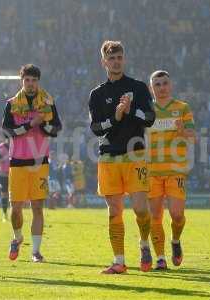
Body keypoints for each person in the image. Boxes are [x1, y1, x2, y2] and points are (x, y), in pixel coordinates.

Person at [89, 40, 155, 274]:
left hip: (135, 155)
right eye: (111, 58)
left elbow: (149, 118)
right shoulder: (97, 94)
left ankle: (144, 244)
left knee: (139, 209)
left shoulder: (138, 87)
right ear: (104, 61)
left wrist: (130, 111)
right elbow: (96, 128)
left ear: (123, 59)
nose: (116, 62)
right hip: (108, 157)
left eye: (119, 57)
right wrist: (116, 117)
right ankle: (119, 261)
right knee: (115, 212)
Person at [2, 64, 62, 263]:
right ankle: (17, 237)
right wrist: (29, 124)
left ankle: (36, 252)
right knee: (16, 208)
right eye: (27, 80)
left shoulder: (47, 101)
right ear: (22, 81)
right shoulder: (11, 104)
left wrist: (42, 124)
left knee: (37, 207)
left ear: (38, 81)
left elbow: (56, 128)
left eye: (34, 80)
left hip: (40, 161)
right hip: (17, 161)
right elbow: (7, 132)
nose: (30, 84)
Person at [146, 70, 195, 270]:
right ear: (151, 88)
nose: (162, 87)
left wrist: (182, 130)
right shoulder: (147, 110)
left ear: (171, 85)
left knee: (176, 214)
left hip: (176, 169)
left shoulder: (182, 108)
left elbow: (192, 135)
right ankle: (160, 257)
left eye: (165, 83)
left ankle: (175, 240)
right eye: (157, 84)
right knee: (155, 216)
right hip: (151, 170)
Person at [0, 139, 10, 221]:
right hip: (3, 174)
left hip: (14, 173)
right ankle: (5, 213)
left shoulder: (16, 146)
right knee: (4, 193)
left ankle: (15, 212)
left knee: (14, 193)